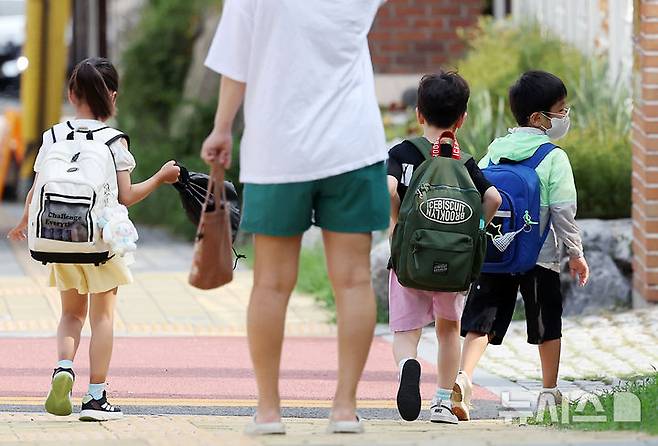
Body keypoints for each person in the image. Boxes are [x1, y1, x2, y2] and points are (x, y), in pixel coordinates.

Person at [201, 0, 390, 436]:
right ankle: (345, 409)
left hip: (277, 147)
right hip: (352, 146)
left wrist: (222, 127)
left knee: (270, 283)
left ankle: (268, 411)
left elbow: (237, 61)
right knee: (353, 281)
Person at [6, 57, 180, 421]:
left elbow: (37, 189)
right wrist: (162, 177)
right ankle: (96, 398)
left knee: (70, 314)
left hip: (59, 239)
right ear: (113, 97)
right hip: (100, 242)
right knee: (102, 318)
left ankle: (64, 369)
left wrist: (24, 223)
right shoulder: (113, 141)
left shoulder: (52, 136)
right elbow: (127, 195)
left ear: (72, 94)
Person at [454, 70, 590, 421]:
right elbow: (563, 213)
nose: (565, 115)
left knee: (480, 320)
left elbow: (482, 196)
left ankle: (464, 378)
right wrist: (575, 254)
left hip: (496, 252)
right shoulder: (553, 158)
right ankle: (548, 391)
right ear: (538, 118)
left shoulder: (494, 153)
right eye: (560, 110)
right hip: (539, 257)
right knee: (547, 322)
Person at [386, 72, 501, 424]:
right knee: (449, 330)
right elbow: (493, 198)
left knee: (406, 333)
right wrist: (476, 230)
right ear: (462, 118)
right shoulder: (464, 163)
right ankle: (441, 403)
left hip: (409, 261)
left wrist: (396, 225)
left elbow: (388, 188)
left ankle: (409, 365)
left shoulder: (402, 154)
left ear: (419, 114)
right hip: (453, 263)